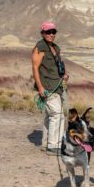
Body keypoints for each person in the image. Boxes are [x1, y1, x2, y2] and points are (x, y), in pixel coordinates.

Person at [31, 21, 69, 155]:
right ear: (42, 33)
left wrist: (63, 75)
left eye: (53, 32)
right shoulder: (40, 47)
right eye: (48, 32)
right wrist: (40, 87)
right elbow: (35, 68)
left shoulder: (55, 48)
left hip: (57, 85)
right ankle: (54, 146)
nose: (51, 34)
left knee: (49, 116)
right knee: (57, 115)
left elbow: (57, 66)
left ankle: (46, 144)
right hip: (47, 87)